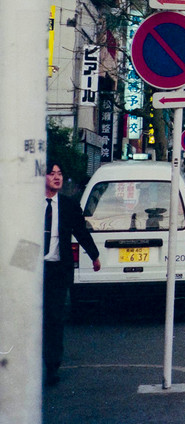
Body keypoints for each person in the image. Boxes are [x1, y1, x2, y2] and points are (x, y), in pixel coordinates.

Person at [43, 159, 100, 386]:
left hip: (58, 269)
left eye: (59, 173)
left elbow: (81, 232)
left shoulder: (67, 205)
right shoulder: (28, 206)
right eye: (51, 173)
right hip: (34, 270)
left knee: (55, 319)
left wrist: (94, 255)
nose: (56, 177)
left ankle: (51, 367)